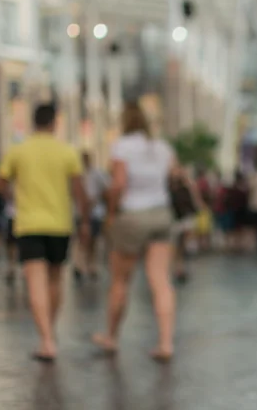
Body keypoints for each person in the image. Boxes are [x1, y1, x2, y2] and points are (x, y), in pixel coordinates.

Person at [0, 104, 90, 362]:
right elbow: (80, 191)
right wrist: (85, 222)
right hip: (60, 224)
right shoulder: (67, 151)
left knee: (35, 281)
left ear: (33, 121)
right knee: (56, 280)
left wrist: (13, 196)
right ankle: (50, 331)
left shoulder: (18, 150)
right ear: (54, 123)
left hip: (28, 224)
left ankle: (46, 340)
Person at [92, 102, 178, 362]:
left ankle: (112, 336)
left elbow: (118, 184)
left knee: (120, 281)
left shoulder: (123, 146)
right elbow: (176, 176)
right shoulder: (163, 147)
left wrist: (110, 211)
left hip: (133, 215)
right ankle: (165, 343)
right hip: (161, 214)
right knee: (160, 280)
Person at [73, 152, 108, 282]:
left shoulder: (97, 174)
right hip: (80, 211)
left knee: (94, 239)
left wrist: (96, 200)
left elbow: (105, 189)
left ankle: (91, 264)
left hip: (96, 212)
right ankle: (79, 264)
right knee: (81, 239)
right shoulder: (76, 174)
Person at [169, 165, 203, 283]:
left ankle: (179, 268)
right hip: (174, 220)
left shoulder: (187, 187)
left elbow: (196, 202)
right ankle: (177, 268)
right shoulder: (168, 187)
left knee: (181, 246)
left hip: (184, 219)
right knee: (175, 246)